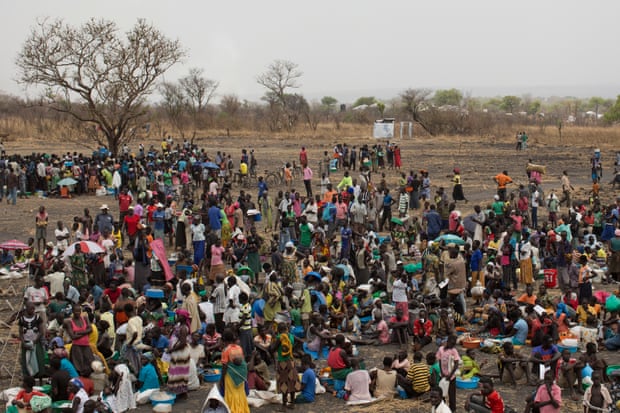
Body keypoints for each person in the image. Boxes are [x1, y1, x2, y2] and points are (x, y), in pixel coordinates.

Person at [270, 323, 299, 411]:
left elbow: (272, 349)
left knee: (283, 383)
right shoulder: (291, 336)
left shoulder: (280, 338)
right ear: (287, 329)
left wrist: (273, 339)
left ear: (278, 330)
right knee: (292, 381)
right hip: (291, 361)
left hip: (282, 362)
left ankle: (284, 405)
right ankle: (292, 403)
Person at [220, 328, 250, 413]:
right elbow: (243, 362)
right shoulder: (239, 348)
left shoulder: (226, 350)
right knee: (240, 393)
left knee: (231, 393)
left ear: (223, 339)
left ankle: (233, 410)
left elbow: (224, 366)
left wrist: (222, 379)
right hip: (241, 375)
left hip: (231, 375)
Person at [64, 303, 94, 376]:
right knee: (78, 367)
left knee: (89, 365)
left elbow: (91, 329)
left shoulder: (85, 318)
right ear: (73, 312)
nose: (77, 313)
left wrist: (78, 332)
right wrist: (85, 332)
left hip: (86, 345)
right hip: (76, 346)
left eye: (79, 311)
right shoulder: (69, 321)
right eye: (76, 311)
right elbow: (73, 336)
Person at [167, 309, 191, 398]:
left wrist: (172, 350)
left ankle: (182, 392)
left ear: (184, 318)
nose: (177, 317)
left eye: (179, 315)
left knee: (179, 372)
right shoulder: (179, 326)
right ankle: (179, 391)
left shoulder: (184, 328)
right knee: (177, 371)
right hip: (177, 352)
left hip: (181, 352)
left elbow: (183, 343)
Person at [18, 302, 46, 379]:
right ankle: (27, 375)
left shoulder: (37, 318)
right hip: (26, 342)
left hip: (36, 342)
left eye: (33, 308)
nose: (33, 310)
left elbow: (41, 331)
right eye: (31, 308)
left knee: (38, 358)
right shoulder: (22, 319)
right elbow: (20, 332)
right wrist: (23, 342)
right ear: (26, 309)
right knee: (26, 359)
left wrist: (34, 341)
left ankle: (39, 375)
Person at [436, 334, 461, 412]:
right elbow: (439, 361)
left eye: (454, 344)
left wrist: (450, 375)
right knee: (441, 393)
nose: (452, 345)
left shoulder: (454, 351)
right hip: (443, 376)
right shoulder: (441, 349)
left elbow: (456, 364)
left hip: (451, 377)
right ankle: (442, 408)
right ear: (447, 341)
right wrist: (442, 372)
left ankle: (452, 410)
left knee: (452, 395)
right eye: (451, 343)